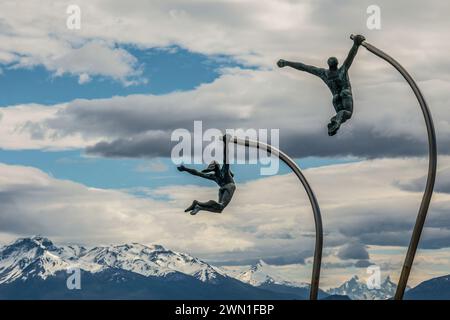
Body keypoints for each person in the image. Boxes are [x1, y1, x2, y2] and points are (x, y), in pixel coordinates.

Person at [277, 34, 366, 136]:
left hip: (335, 97)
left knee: (341, 113)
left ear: (329, 65)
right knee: (347, 113)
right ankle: (336, 121)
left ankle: (336, 121)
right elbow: (350, 56)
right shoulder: (343, 70)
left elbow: (304, 67)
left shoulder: (324, 74)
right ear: (337, 64)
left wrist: (286, 62)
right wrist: (356, 44)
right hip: (345, 93)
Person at [177, 135, 236, 215]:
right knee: (220, 206)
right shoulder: (224, 170)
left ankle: (199, 207)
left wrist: (185, 169)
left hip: (222, 188)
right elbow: (226, 157)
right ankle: (198, 203)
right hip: (230, 186)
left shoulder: (213, 176)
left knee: (219, 209)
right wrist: (226, 142)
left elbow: (197, 173)